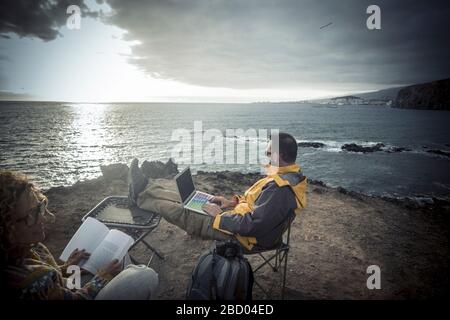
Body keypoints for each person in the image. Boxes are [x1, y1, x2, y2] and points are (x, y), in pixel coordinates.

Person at [130, 132, 307, 251]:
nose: (267, 158)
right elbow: (257, 206)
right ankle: (145, 186)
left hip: (244, 237)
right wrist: (231, 203)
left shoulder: (281, 189)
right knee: (186, 198)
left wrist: (219, 216)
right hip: (236, 218)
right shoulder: (287, 176)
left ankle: (139, 197)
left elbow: (253, 226)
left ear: (279, 155)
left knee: (183, 211)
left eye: (269, 154)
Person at [0, 171, 158, 300]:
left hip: (66, 288)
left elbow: (56, 284)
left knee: (119, 255)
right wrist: (103, 277)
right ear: (6, 229)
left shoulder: (27, 247)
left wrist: (67, 267)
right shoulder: (29, 282)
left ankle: (124, 279)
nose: (42, 217)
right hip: (77, 295)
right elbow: (75, 297)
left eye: (39, 207)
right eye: (31, 215)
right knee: (145, 275)